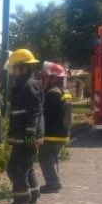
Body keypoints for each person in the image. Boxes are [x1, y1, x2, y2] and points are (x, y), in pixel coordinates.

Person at [3, 48, 44, 204]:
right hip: (24, 136)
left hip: (26, 136)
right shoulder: (25, 84)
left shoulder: (29, 86)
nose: (12, 72)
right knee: (26, 167)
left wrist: (29, 138)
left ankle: (21, 201)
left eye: (15, 68)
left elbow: (34, 113)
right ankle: (32, 198)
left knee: (14, 168)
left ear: (24, 68)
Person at [38, 61, 72, 193]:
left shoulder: (53, 93)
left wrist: (38, 131)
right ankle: (55, 181)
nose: (43, 79)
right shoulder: (65, 91)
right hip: (63, 133)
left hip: (52, 133)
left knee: (44, 156)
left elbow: (46, 115)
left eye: (46, 77)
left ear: (53, 78)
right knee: (53, 157)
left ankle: (53, 183)